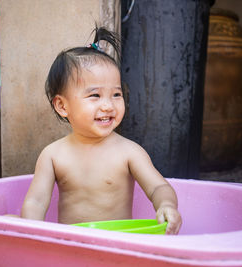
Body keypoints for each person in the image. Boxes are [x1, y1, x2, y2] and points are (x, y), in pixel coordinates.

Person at [21, 27, 182, 235]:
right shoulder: (53, 155)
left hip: (117, 244)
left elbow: (158, 187)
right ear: (62, 106)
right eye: (95, 95)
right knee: (11, 221)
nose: (108, 105)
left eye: (116, 94)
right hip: (71, 245)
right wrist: (31, 232)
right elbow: (36, 201)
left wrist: (166, 205)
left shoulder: (129, 152)